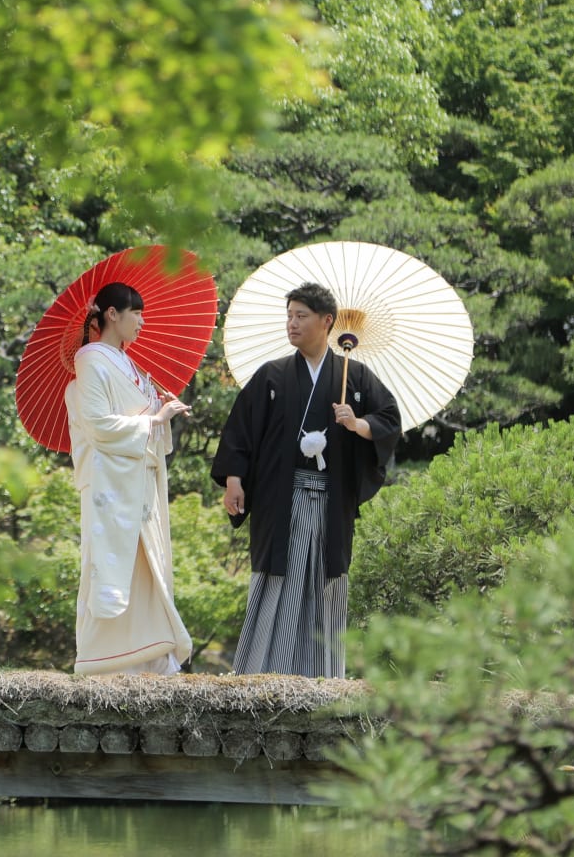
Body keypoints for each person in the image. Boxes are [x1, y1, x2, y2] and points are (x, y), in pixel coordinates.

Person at [211, 282, 401, 678]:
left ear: (327, 321)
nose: (291, 324)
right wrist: (234, 479)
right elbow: (241, 432)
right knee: (278, 575)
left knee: (324, 579)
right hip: (281, 499)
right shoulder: (273, 376)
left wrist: (357, 422)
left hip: (331, 501)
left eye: (301, 316)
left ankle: (324, 674)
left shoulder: (357, 376)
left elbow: (388, 422)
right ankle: (261, 670)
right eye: (289, 315)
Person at [64, 281, 194, 676]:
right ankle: (107, 660)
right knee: (111, 564)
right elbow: (99, 424)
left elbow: (139, 416)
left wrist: (162, 407)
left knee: (148, 561)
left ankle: (152, 655)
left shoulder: (131, 364)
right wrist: (154, 419)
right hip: (111, 483)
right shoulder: (90, 359)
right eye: (134, 312)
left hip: (136, 477)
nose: (141, 321)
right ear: (111, 315)